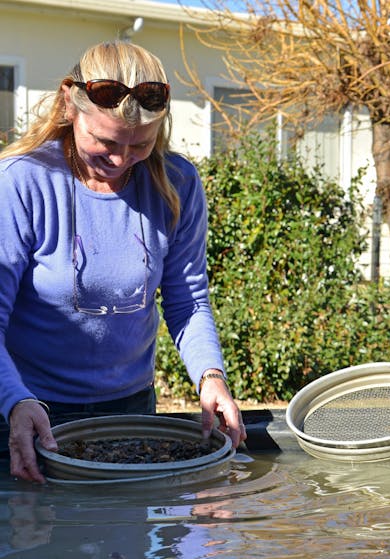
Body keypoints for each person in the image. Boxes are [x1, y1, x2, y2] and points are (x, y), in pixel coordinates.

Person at [0, 41, 247, 484]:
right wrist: (14, 400)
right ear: (67, 106)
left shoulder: (178, 183)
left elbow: (187, 300)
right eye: (105, 142)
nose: (119, 161)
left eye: (140, 146)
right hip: (26, 412)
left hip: (131, 409)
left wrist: (211, 376)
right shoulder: (22, 183)